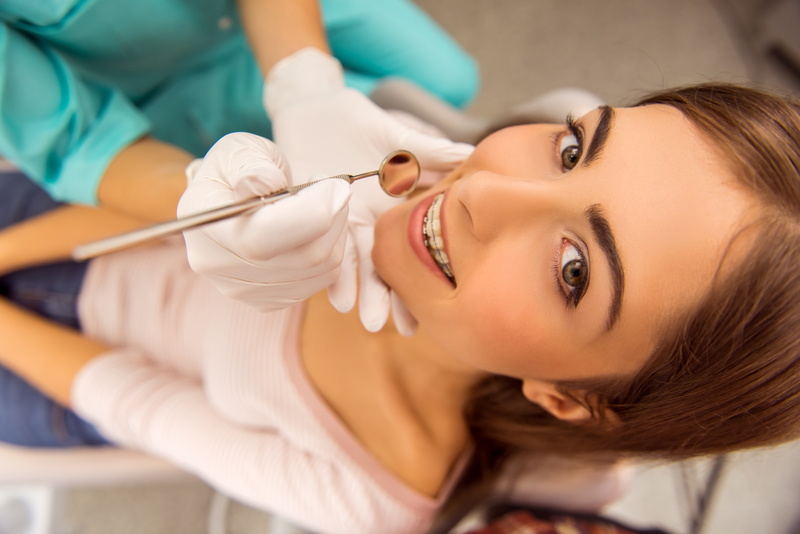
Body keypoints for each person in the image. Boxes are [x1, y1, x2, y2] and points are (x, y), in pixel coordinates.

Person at [1, 82, 800, 534]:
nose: (485, 188)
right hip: (91, 219)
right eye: (570, 150)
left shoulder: (376, 494)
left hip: (61, 375)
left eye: (572, 269)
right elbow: (166, 208)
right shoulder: (406, 170)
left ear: (568, 396)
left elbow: (134, 401)